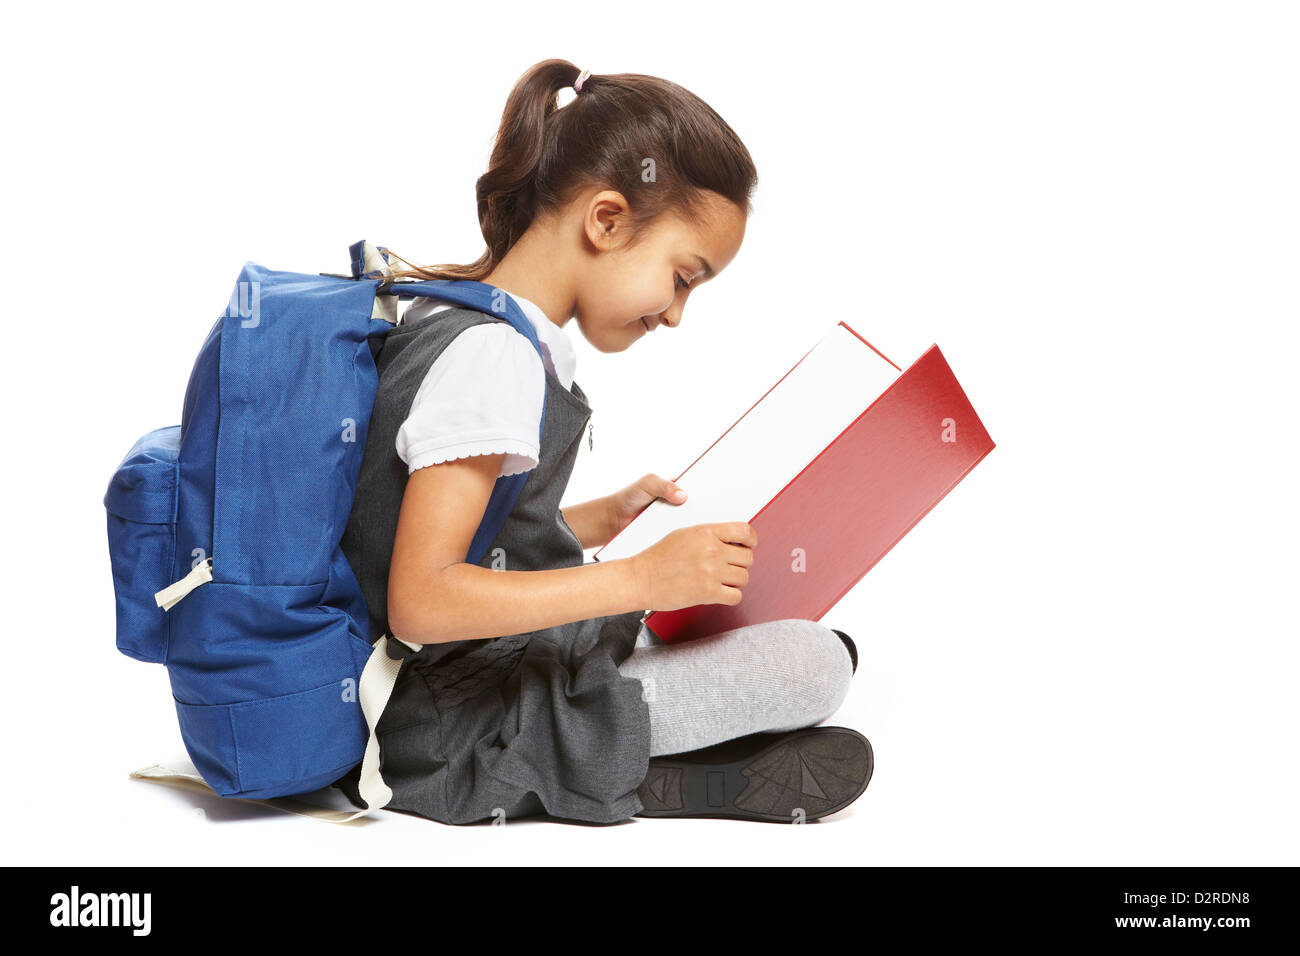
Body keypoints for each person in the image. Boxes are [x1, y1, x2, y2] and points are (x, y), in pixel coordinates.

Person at [334, 59, 872, 825]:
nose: (679, 312)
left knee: (802, 649)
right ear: (608, 220)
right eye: (683, 276)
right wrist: (639, 581)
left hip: (472, 671)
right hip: (443, 722)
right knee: (812, 664)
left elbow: (470, 529)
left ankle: (626, 746)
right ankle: (609, 766)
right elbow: (420, 601)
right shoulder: (495, 357)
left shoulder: (470, 323)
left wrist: (597, 520)